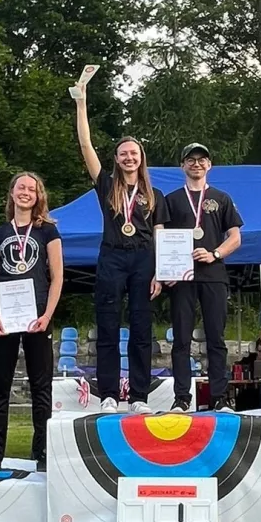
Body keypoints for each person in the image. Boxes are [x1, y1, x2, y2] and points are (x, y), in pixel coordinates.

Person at [74, 88, 168, 413]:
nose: (129, 157)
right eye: (123, 153)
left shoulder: (154, 194)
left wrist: (160, 271)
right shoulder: (106, 186)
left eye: (134, 153)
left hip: (143, 258)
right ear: (116, 159)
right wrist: (82, 100)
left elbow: (159, 235)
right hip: (112, 256)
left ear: (141, 158)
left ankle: (139, 397)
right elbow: (85, 144)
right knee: (108, 326)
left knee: (142, 329)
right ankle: (110, 395)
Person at [0, 172, 63, 471]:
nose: (26, 193)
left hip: (37, 318)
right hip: (4, 318)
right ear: (12, 193)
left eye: (32, 189)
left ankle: (42, 452)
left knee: (41, 387)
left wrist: (47, 315)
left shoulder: (48, 232)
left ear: (38, 195)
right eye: (21, 187)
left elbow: (57, 277)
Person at [165, 143, 242, 412]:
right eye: (190, 159)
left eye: (202, 159)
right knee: (182, 339)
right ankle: (182, 398)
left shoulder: (221, 198)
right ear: (182, 166)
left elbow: (235, 237)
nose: (196, 164)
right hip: (181, 278)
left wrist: (215, 253)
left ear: (209, 165)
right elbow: (160, 236)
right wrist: (166, 270)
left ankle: (220, 397)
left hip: (213, 275)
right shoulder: (171, 199)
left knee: (216, 338)